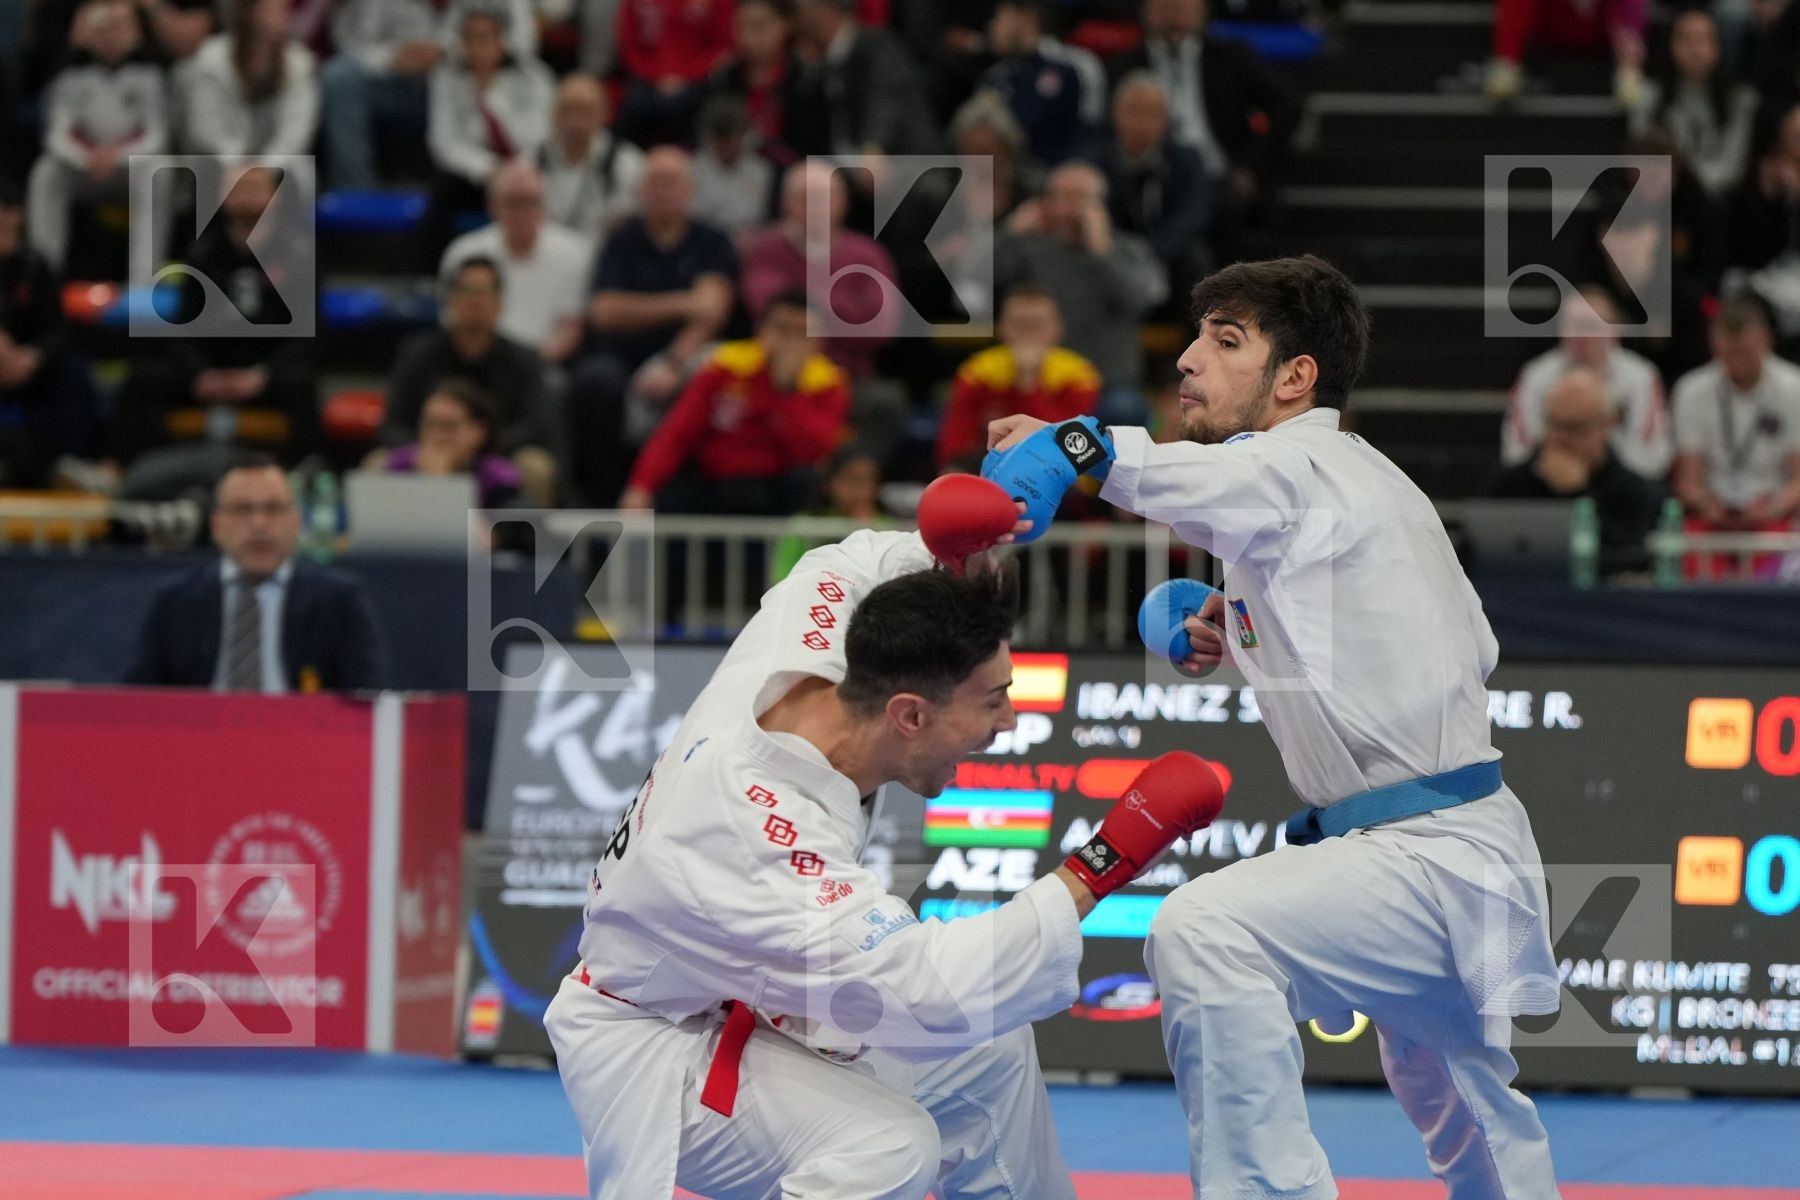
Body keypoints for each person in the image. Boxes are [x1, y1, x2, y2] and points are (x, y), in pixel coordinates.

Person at [985, 254, 1563, 1199]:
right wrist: (1238, 623)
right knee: (1456, 1091)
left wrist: (1073, 448)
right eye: (1194, 339)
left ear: (1296, 377)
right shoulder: (1370, 483)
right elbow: (1468, 646)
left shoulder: (1296, 463)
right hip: (1455, 843)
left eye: (1226, 342)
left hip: (1424, 852)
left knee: (1206, 931)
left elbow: (1194, 484)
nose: (1188, 364)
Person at [544, 521, 1222, 1200]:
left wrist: (955, 547)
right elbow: (926, 989)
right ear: (910, 716)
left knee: (988, 1048)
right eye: (992, 700)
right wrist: (1106, 860)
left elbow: (852, 559)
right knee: (888, 1145)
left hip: (732, 992)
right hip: (660, 1046)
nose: (1008, 721)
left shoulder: (817, 647)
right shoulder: (755, 835)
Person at [564, 146, 738, 505]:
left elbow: (713, 311)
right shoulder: (622, 239)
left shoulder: (712, 241)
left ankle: (683, 501)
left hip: (684, 357)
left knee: (713, 376)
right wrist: (683, 302)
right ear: (641, 190)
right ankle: (605, 500)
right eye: (655, 183)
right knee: (595, 381)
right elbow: (603, 311)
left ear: (690, 189)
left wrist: (672, 362)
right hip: (621, 359)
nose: (664, 192)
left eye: (672, 182)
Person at [127, 456, 386, 692]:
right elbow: (138, 703)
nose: (259, 524)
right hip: (201, 738)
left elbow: (367, 701)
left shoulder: (338, 600)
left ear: (296, 521)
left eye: (273, 509)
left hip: (302, 738)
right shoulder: (176, 600)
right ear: (217, 525)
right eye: (242, 510)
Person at [618, 288, 849, 515]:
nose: (790, 341)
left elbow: (816, 451)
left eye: (802, 333)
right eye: (783, 329)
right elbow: (679, 431)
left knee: (804, 481)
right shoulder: (726, 367)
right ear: (762, 329)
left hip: (777, 493)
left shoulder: (828, 383)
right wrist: (641, 485)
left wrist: (787, 390)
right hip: (717, 484)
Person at [994, 160, 1167, 423]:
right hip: (1041, 379)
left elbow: (1142, 300)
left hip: (1108, 383)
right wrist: (1008, 233)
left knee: (1125, 409)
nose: (1072, 209)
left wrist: (1102, 251)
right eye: (1063, 198)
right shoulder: (1032, 250)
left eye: (1082, 199)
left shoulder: (1126, 249)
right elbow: (973, 286)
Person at [385, 255, 558, 506]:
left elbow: (536, 426)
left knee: (536, 466)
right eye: (467, 291)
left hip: (497, 455)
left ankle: (524, 540)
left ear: (499, 303)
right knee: (378, 462)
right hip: (428, 450)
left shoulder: (524, 360)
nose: (475, 301)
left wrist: (474, 447)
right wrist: (435, 444)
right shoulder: (417, 355)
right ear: (450, 300)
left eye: (483, 292)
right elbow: (391, 426)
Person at [26, 0, 166, 276]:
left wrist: (116, 156)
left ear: (136, 33)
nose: (110, 37)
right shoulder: (69, 77)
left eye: (120, 28)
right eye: (102, 28)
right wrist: (87, 157)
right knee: (47, 172)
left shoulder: (150, 76)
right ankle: (44, 273)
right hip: (85, 170)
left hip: (129, 170)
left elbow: (156, 134)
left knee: (159, 173)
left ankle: (144, 277)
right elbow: (57, 133)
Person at [1486, 366, 1665, 575]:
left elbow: (1628, 562)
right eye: (1553, 424)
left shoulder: (1636, 494)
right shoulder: (1507, 484)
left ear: (1605, 427)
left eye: (1573, 428)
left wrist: (1578, 494)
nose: (1559, 438)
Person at [1670, 295, 1800, 573]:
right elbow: (1688, 480)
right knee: (1690, 558)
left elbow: (1798, 477)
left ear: (1766, 340)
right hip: (1712, 512)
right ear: (1714, 345)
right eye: (1729, 354)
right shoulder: (1691, 391)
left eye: (1746, 353)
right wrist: (1705, 503)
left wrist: (1773, 505)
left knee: (1778, 568)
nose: (1738, 362)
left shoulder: (1794, 389)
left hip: (1773, 511)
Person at [423, 4, 554, 266]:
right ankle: (433, 275)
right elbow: (443, 140)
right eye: (469, 39)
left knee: (547, 186)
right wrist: (487, 169)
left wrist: (491, 99)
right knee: (440, 194)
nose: (477, 47)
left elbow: (540, 136)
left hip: (524, 164)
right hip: (475, 173)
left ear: (501, 41)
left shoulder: (534, 76)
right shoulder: (446, 78)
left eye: (484, 38)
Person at [1500, 287, 1672, 482]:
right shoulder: (1535, 375)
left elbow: (1653, 455)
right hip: (1547, 483)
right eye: (1573, 325)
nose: (1581, 336)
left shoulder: (1642, 377)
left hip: (1619, 487)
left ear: (1614, 330)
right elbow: (1517, 450)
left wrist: (1602, 472)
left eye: (1591, 326)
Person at [440, 158, 595, 367]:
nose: (522, 213)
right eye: (513, 202)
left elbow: (570, 329)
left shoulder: (575, 253)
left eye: (531, 202)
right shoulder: (463, 253)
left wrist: (525, 366)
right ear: (493, 205)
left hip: (545, 364)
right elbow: (453, 321)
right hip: (476, 361)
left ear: (544, 204)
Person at [0, 183, 104, 489]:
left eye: (7, 213)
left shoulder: (34, 265)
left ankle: (71, 462)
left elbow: (56, 329)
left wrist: (32, 357)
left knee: (72, 371)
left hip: (25, 370)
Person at [936, 283, 1099, 470]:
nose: (1028, 335)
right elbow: (955, 438)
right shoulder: (978, 371)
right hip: (991, 464)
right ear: (1002, 327)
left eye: (1037, 325)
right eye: (1019, 325)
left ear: (1057, 329)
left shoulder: (1079, 374)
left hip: (1059, 470)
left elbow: (1071, 445)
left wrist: (1028, 383)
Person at [1629, 7, 1758, 197]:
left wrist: (1696, 187)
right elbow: (1641, 157)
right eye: (1685, 39)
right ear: (1671, 46)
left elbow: (1733, 166)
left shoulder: (1740, 99)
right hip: (1666, 195)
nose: (1694, 48)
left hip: (1721, 198)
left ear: (1717, 47)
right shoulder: (1649, 97)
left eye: (1702, 39)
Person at [318, 0, 440, 191]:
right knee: (339, 78)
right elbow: (347, 39)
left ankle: (464, 196)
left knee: (473, 68)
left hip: (440, 81)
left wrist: (440, 53)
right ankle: (356, 201)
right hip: (380, 84)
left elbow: (473, 25)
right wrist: (393, 59)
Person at [178, 0, 319, 162]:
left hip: (274, 168)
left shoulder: (298, 64)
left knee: (301, 172)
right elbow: (204, 130)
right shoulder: (210, 60)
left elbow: (295, 134)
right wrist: (240, 163)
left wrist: (265, 168)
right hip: (222, 164)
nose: (283, 18)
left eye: (284, 10)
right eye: (272, 10)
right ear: (249, 13)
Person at [370, 378, 523, 509]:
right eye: (430, 425)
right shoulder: (398, 468)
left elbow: (487, 539)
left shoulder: (499, 480)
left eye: (449, 426)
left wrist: (440, 485)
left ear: (478, 432)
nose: (437, 437)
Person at [537, 73, 645, 239]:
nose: (575, 122)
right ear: (553, 112)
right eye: (567, 110)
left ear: (605, 113)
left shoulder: (629, 164)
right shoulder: (529, 164)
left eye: (586, 111)